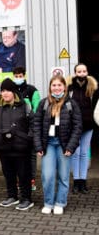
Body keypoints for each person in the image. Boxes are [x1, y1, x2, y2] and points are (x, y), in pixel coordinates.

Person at [33, 75, 82, 215]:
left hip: (64, 145)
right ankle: (48, 202)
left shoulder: (71, 104)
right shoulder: (44, 103)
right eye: (54, 85)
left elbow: (77, 127)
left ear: (64, 87)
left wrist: (70, 147)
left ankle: (60, 202)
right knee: (47, 176)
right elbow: (36, 125)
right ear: (50, 87)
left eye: (59, 85)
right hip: (48, 144)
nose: (56, 88)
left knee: (63, 175)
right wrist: (38, 146)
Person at [0, 78, 34, 211]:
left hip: (21, 147)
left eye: (8, 90)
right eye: (2, 90)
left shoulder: (24, 105)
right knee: (8, 173)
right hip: (3, 147)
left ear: (14, 92)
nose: (5, 93)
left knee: (24, 174)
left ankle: (26, 199)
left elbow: (33, 123)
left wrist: (28, 139)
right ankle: (12, 196)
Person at [67, 63, 97, 194]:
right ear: (75, 73)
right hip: (73, 125)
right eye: (79, 71)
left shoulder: (93, 87)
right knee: (75, 152)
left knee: (84, 153)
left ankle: (83, 181)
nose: (82, 74)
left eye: (84, 71)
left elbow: (96, 107)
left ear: (87, 72)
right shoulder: (69, 87)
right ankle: (76, 181)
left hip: (88, 125)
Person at [12, 66, 41, 191]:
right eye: (16, 76)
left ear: (24, 76)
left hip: (29, 128)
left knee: (31, 155)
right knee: (18, 155)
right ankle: (20, 180)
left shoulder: (32, 90)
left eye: (20, 76)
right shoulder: (11, 90)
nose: (18, 78)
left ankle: (31, 180)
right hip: (16, 129)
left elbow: (37, 108)